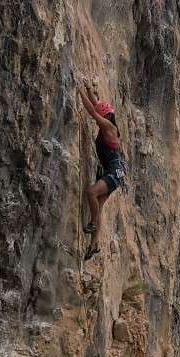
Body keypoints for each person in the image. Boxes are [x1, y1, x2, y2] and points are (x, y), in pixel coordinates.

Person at [78, 77, 125, 252]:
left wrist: (80, 91)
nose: (98, 120)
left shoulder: (108, 127)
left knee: (91, 192)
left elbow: (93, 112)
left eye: (101, 117)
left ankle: (92, 222)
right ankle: (94, 245)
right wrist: (89, 89)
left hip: (115, 170)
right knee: (98, 202)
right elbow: (96, 105)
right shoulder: (107, 121)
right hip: (114, 170)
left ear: (106, 117)